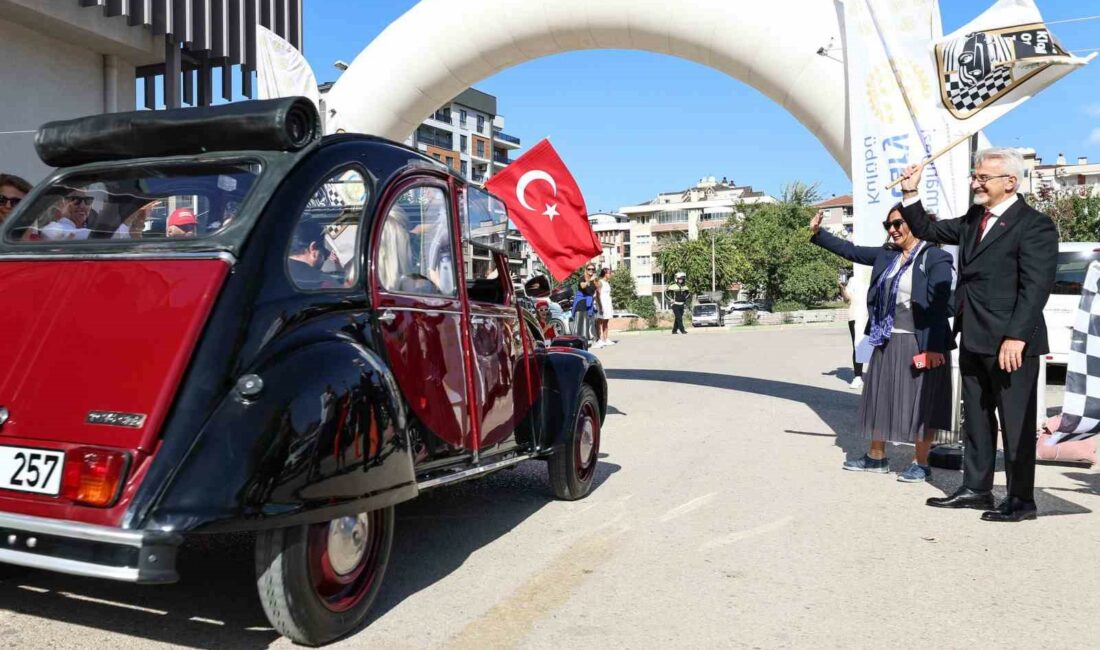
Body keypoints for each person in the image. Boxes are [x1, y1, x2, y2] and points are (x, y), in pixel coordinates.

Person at [898, 149, 1058, 522]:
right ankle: (976, 489)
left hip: (1010, 343)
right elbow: (930, 230)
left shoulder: (1034, 225)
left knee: (1015, 423)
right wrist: (911, 195)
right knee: (978, 419)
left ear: (1010, 182)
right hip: (973, 335)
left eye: (983, 177)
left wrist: (1017, 337)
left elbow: (1036, 287)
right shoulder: (974, 218)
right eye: (975, 176)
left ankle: (1020, 501)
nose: (976, 182)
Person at [811, 207, 955, 482]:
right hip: (886, 338)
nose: (892, 229)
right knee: (880, 398)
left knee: (922, 403)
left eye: (898, 223)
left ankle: (921, 462)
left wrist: (935, 346)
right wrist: (819, 234)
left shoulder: (935, 257)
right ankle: (876, 457)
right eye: (888, 224)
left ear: (916, 223)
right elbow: (850, 250)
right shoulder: (887, 255)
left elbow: (940, 302)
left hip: (921, 341)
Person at [838, 275, 866, 390]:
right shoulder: (853, 280)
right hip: (856, 315)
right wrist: (842, 288)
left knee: (879, 346)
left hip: (872, 315)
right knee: (858, 346)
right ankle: (858, 377)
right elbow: (846, 299)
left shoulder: (878, 273)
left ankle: (880, 375)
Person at [287, 220, 332, 289]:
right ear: (313, 248)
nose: (325, 259)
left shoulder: (272, 274)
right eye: (324, 255)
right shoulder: (326, 282)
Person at [572, 263, 598, 343]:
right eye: (589, 269)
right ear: (586, 270)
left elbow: (595, 290)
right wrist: (589, 280)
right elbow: (582, 286)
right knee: (580, 322)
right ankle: (577, 340)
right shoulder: (582, 278)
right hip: (581, 302)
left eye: (593, 269)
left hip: (589, 303)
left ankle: (587, 340)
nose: (591, 271)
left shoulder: (595, 280)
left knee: (590, 322)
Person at [594, 267, 616, 348]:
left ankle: (605, 339)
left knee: (606, 321)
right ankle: (599, 340)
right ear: (605, 274)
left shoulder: (607, 282)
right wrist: (600, 306)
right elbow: (597, 295)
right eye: (609, 273)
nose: (610, 275)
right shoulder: (600, 282)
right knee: (599, 322)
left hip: (607, 304)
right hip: (602, 304)